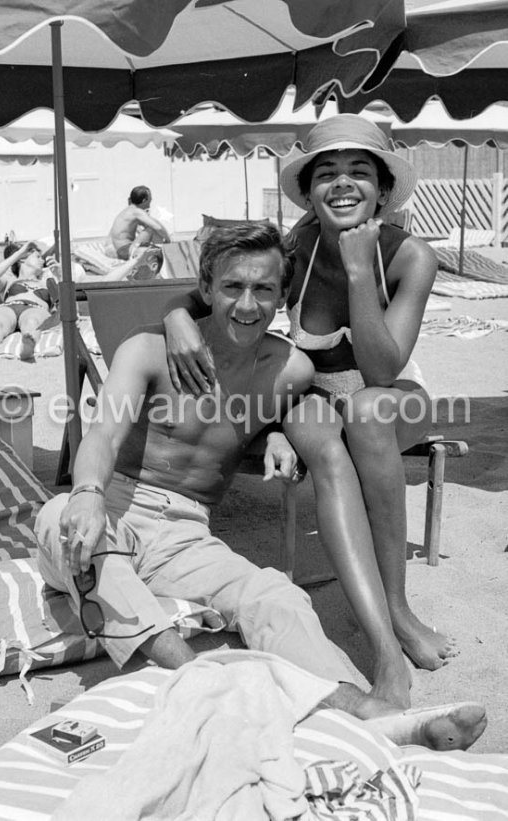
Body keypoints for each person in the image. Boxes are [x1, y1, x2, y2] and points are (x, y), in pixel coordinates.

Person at [34, 223, 485, 751]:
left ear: (281, 296)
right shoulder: (149, 350)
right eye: (232, 287)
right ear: (206, 289)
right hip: (113, 503)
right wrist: (87, 492)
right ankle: (200, 678)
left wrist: (278, 433)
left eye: (264, 290)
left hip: (186, 530)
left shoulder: (288, 370)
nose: (247, 304)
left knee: (274, 595)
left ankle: (366, 712)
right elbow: (106, 434)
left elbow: (306, 409)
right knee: (65, 522)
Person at [161, 115, 456, 710]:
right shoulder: (293, 245)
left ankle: (398, 608)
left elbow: (380, 368)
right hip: (313, 392)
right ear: (310, 186)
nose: (342, 184)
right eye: (327, 172)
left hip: (391, 393)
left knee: (368, 411)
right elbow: (208, 290)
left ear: (381, 187)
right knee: (318, 435)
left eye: (358, 172)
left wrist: (355, 267)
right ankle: (385, 651)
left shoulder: (409, 257)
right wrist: (174, 319)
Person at [0, 239, 150, 360]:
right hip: (9, 305)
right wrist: (20, 251)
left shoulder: (47, 280)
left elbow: (72, 302)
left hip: (35, 308)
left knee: (32, 321)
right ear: (22, 260)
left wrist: (60, 276)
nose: (42, 260)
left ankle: (27, 347)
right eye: (37, 256)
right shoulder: (9, 281)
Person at [107, 185, 171, 260]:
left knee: (151, 226)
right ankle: (162, 251)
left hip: (121, 250)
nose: (151, 200)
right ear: (144, 200)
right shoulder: (136, 212)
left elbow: (146, 224)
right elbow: (158, 227)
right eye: (150, 198)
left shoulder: (129, 210)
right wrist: (168, 240)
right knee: (152, 229)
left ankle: (159, 251)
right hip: (127, 251)